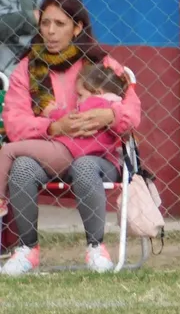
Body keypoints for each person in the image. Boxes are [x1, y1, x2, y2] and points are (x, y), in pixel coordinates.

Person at [1, 0, 141, 277]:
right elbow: (14, 123)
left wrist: (109, 115)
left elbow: (132, 112)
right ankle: (27, 250)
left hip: (97, 156)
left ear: (78, 28)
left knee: (84, 166)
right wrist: (53, 127)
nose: (50, 32)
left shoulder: (101, 64)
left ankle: (96, 248)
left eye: (60, 24)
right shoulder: (27, 68)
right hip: (49, 152)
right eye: (45, 23)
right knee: (24, 167)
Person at [0, 63, 129, 219]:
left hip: (66, 150)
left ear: (97, 92)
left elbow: (69, 118)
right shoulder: (113, 107)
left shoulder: (94, 104)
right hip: (82, 156)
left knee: (9, 150)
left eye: (80, 95)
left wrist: (52, 112)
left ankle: (0, 199)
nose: (78, 100)